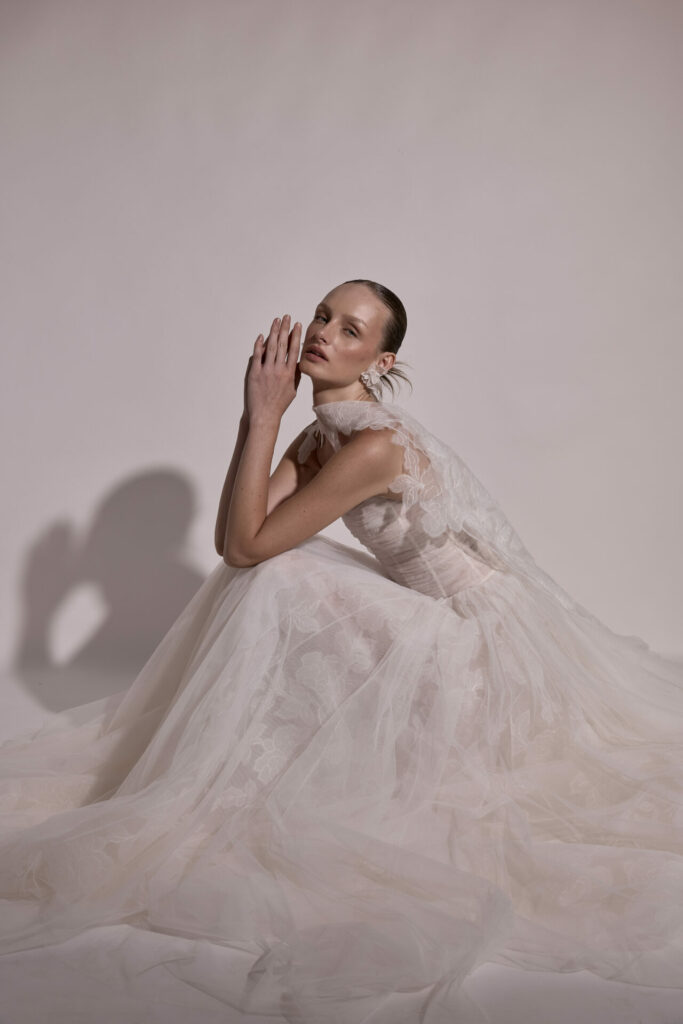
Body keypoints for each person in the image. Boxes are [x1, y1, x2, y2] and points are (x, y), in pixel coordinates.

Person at [1, 278, 682, 1024]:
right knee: (276, 569)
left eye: (350, 330)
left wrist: (263, 412)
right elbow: (238, 541)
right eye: (322, 316)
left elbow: (247, 545)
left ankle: (240, 757)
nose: (324, 333)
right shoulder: (322, 432)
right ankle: (233, 752)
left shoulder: (373, 444)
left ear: (382, 360)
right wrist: (257, 417)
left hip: (477, 644)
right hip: (428, 615)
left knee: (285, 569)